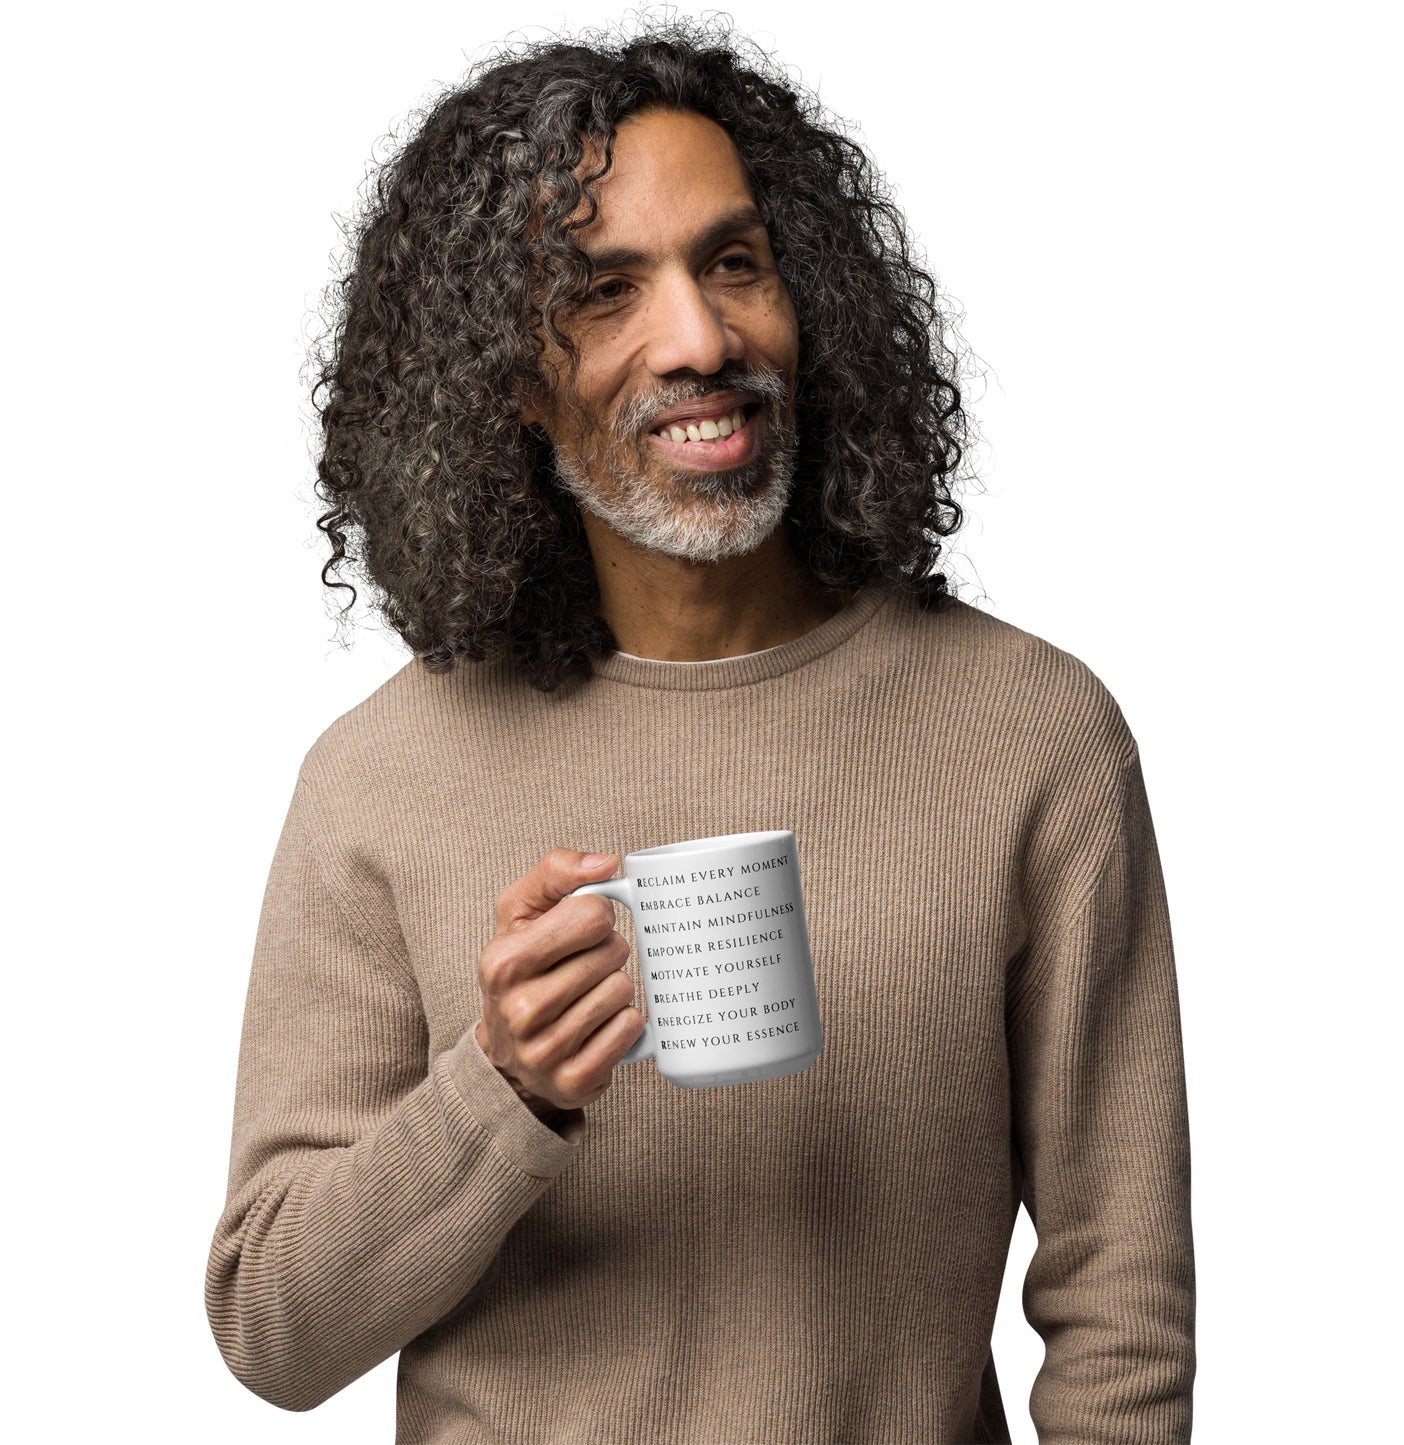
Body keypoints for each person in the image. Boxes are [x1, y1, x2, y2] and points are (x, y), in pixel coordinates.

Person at [205, 18, 1195, 1443]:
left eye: (732, 262)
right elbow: (273, 1331)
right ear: (506, 379)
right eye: (605, 291)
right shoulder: (379, 783)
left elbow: (1123, 1313)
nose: (700, 338)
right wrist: (502, 1088)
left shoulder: (1032, 735)